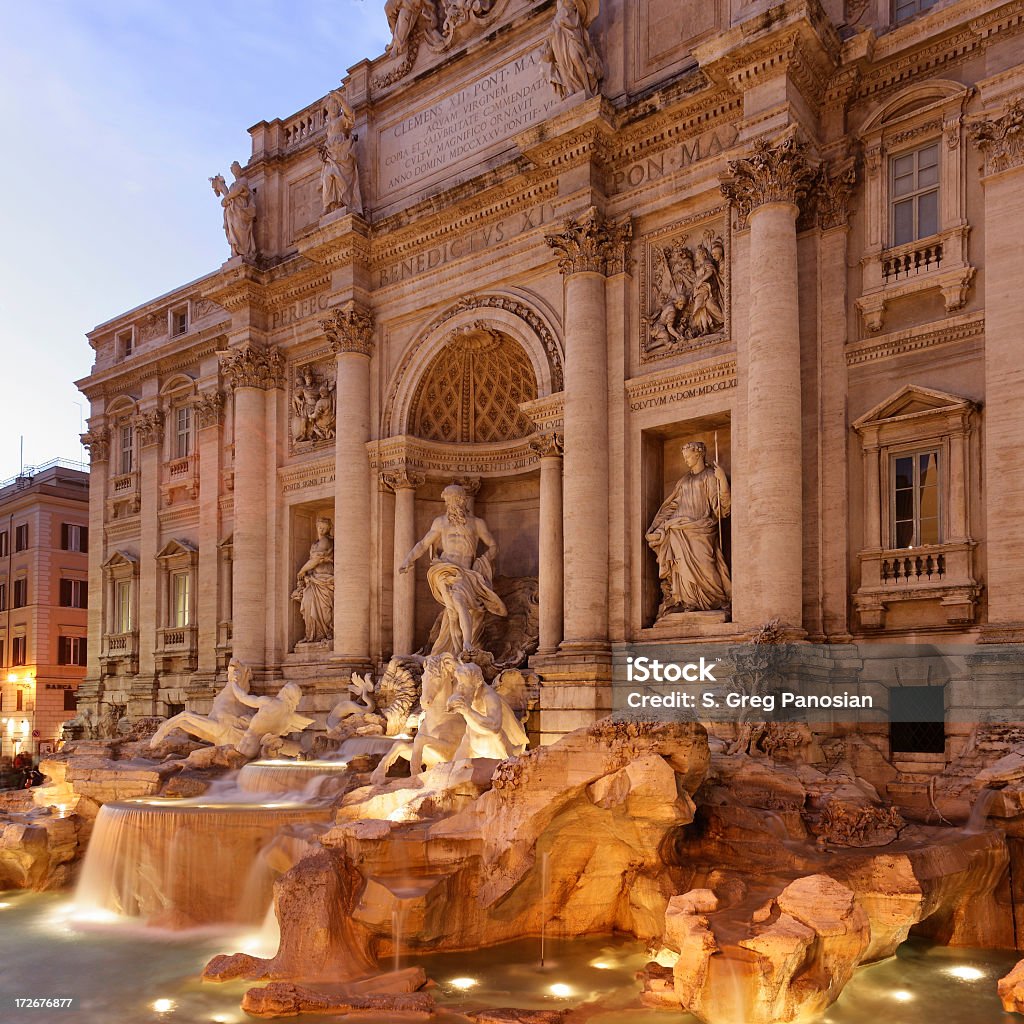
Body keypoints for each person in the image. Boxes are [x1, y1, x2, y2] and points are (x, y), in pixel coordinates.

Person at [399, 484, 506, 655]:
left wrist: (484, 559)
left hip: (465, 572)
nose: (450, 505)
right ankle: (465, 644)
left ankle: (459, 647)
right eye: (447, 502)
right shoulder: (440, 522)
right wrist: (408, 559)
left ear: (462, 500)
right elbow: (424, 544)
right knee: (455, 603)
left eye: (452, 500)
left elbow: (493, 546)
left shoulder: (477, 524)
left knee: (453, 610)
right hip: (444, 569)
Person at [646, 441, 731, 616]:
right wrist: (658, 526)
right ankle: (688, 601)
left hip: (702, 528)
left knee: (707, 565)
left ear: (698, 454)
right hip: (678, 529)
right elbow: (672, 506)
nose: (685, 460)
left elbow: (721, 508)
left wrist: (722, 480)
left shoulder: (709, 476)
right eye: (684, 456)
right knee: (681, 566)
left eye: (688, 456)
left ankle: (716, 599)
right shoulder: (683, 481)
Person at [149, 658, 254, 748]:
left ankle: (164, 729)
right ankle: (164, 729)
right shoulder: (238, 682)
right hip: (225, 729)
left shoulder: (240, 681)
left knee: (184, 717)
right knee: (183, 720)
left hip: (225, 730)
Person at [446, 661, 528, 760]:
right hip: (470, 739)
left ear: (477, 683)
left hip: (494, 744)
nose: (460, 688)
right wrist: (452, 703)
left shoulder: (490, 697)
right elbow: (459, 697)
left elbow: (495, 726)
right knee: (453, 767)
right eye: (460, 683)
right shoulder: (467, 690)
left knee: (498, 737)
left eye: (464, 684)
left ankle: (509, 762)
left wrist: (467, 711)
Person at [544, 0, 602, 100]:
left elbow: (575, 18)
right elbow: (551, 30)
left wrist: (564, 19)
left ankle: (586, 87)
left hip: (572, 33)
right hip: (559, 37)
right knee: (563, 63)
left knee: (575, 57)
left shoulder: (574, 10)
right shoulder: (559, 9)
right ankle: (571, 89)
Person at [291, 515, 335, 643]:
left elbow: (316, 560)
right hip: (314, 579)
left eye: (324, 528)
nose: (321, 530)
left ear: (329, 529)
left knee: (324, 609)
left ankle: (326, 633)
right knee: (309, 604)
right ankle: (312, 635)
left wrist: (302, 570)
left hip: (325, 579)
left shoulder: (325, 541)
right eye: (319, 527)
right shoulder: (315, 543)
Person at [320, 89, 362, 216]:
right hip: (330, 154)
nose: (333, 108)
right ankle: (328, 205)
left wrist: (340, 97)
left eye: (336, 105)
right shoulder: (329, 126)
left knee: (341, 178)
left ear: (339, 107)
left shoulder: (342, 120)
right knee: (327, 177)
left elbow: (350, 114)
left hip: (342, 152)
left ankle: (342, 202)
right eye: (331, 106)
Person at [210, 161, 256, 258]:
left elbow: (238, 190)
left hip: (241, 208)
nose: (235, 171)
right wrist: (221, 184)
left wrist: (226, 199)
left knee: (239, 227)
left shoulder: (243, 180)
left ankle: (245, 251)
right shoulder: (231, 185)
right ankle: (235, 250)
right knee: (232, 228)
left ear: (240, 170)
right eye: (234, 170)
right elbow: (228, 194)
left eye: (237, 169)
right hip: (232, 210)